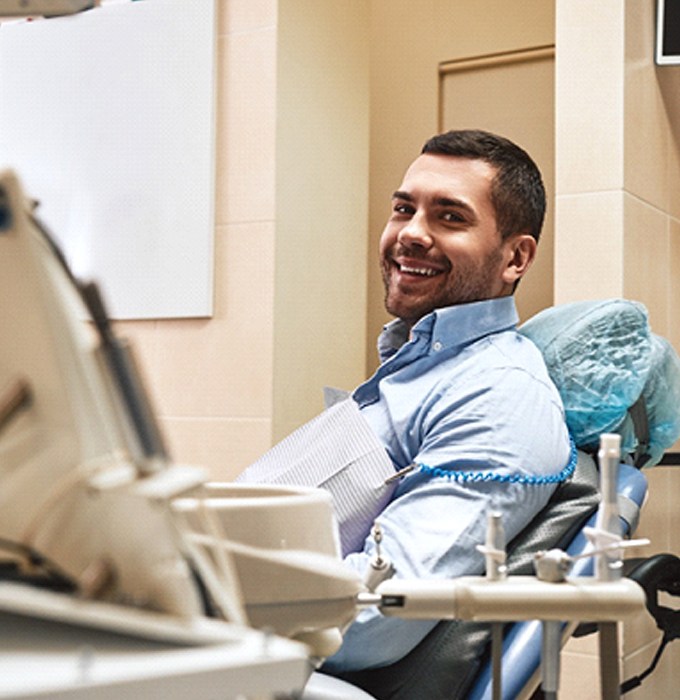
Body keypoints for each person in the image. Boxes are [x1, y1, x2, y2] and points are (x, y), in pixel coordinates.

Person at [320, 129, 572, 674]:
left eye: (449, 217)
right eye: (403, 209)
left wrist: (212, 600)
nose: (410, 234)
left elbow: (371, 618)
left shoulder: (498, 396)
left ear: (515, 258)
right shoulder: (424, 367)